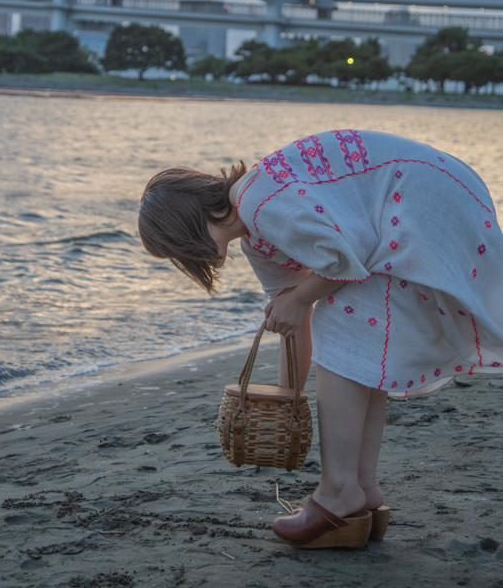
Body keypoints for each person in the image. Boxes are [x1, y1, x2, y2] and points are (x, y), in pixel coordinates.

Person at [138, 128, 503, 549]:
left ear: (188, 221)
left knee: (343, 321)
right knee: (364, 335)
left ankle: (338, 491)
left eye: (178, 247)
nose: (187, 260)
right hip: (429, 189)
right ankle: (363, 491)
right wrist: (287, 394)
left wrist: (303, 298)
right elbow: (293, 315)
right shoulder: (258, 237)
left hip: (423, 194)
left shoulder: (259, 200)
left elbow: (347, 256)